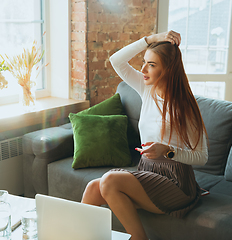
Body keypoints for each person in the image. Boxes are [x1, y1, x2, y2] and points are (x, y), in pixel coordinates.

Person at [81, 31, 208, 240]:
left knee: (109, 180)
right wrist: (151, 39)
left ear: (167, 70)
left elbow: (202, 156)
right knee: (93, 188)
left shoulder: (185, 107)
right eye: (144, 62)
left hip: (176, 182)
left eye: (151, 64)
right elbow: (116, 60)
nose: (143, 70)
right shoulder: (146, 89)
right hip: (148, 170)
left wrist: (167, 152)